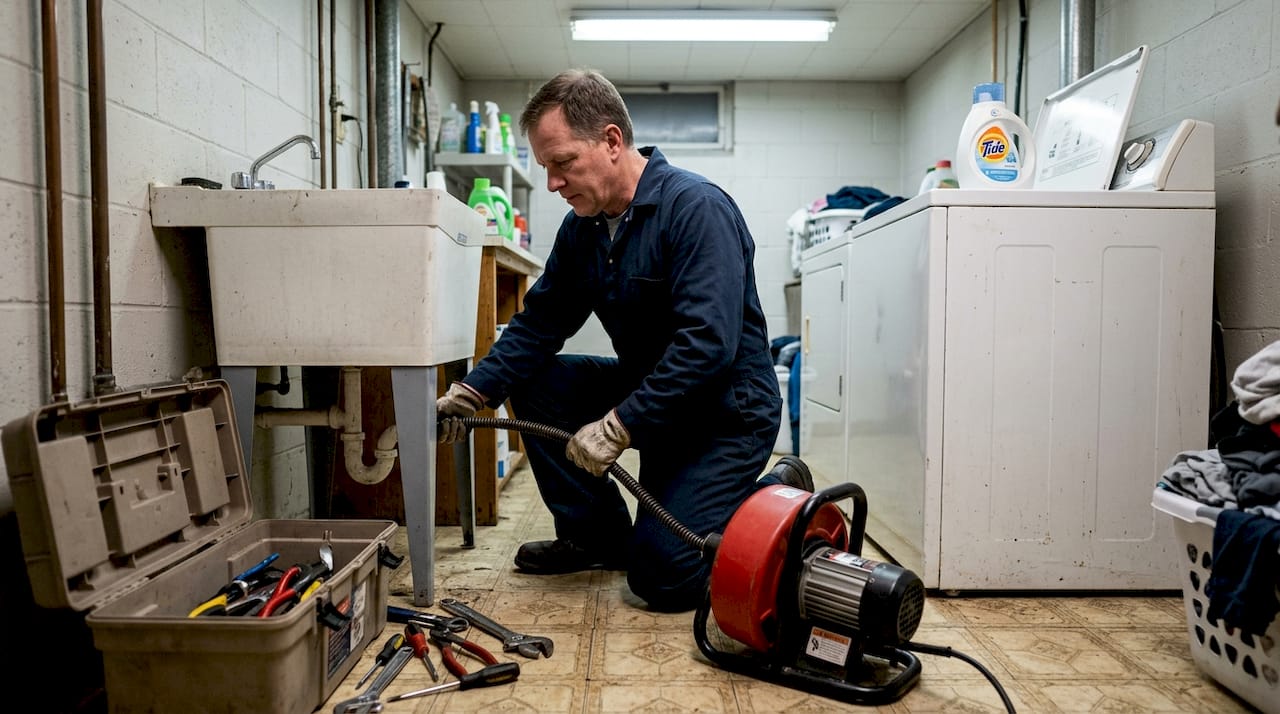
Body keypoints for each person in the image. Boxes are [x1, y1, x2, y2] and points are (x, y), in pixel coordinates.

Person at [436, 69, 809, 612]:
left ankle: (777, 487)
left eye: (562, 163)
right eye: (546, 168)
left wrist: (619, 425)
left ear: (612, 141)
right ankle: (598, 539)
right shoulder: (583, 229)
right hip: (655, 402)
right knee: (537, 377)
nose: (553, 184)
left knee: (665, 580)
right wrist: (472, 392)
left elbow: (707, 345)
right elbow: (540, 323)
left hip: (724, 414)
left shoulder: (695, 209)